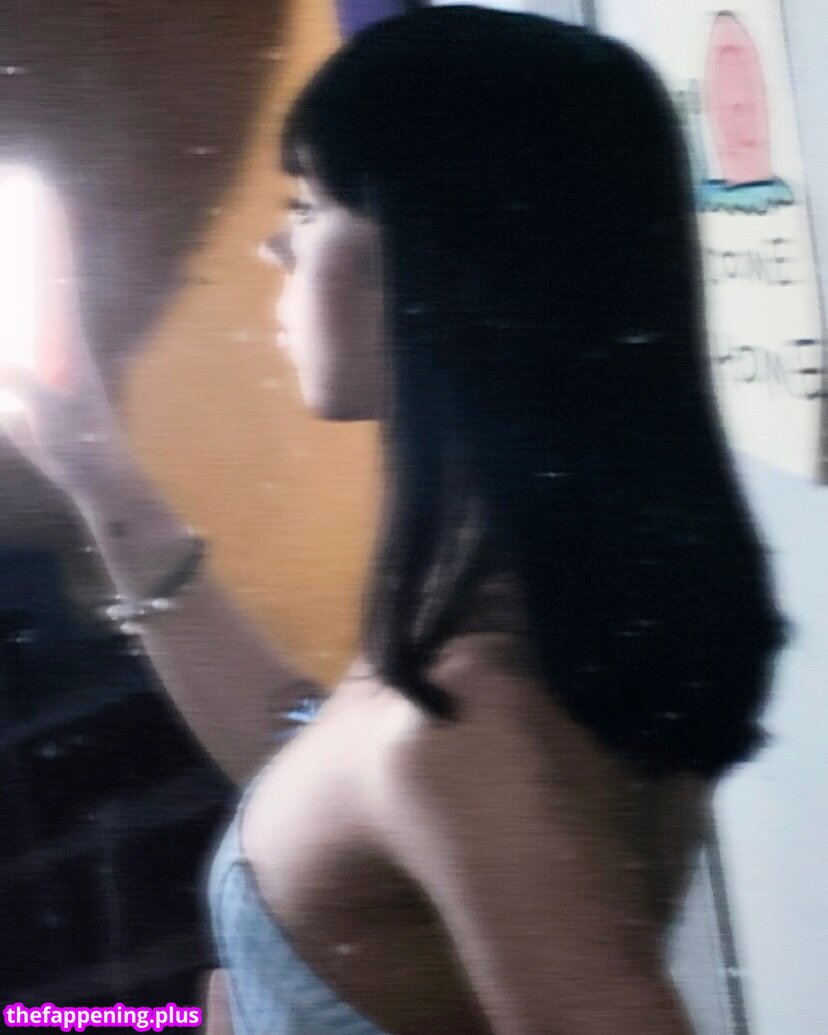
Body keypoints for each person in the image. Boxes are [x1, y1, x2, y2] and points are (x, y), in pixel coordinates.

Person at [0, 7, 784, 1034]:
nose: (276, 246)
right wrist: (100, 478)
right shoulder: (507, 637)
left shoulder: (474, 727)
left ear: (440, 259)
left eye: (309, 204)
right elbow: (314, 762)